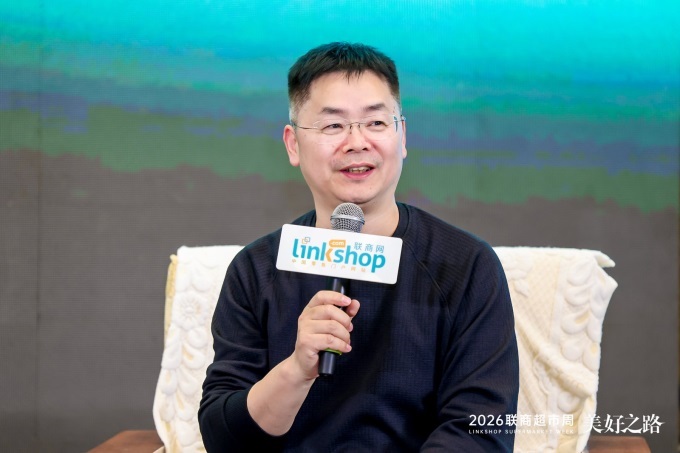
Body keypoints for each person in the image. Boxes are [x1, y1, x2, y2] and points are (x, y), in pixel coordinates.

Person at [199, 42, 519, 452]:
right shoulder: (255, 271)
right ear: (293, 144)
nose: (357, 142)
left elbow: (482, 429)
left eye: (376, 123)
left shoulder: (466, 266)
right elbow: (223, 439)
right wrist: (296, 370)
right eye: (333, 126)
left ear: (402, 136)